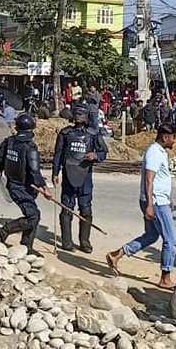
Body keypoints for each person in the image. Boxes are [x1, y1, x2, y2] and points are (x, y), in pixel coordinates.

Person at [107, 123, 176, 288]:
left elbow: (159, 179)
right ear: (166, 137)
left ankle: (117, 254)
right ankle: (165, 277)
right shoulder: (154, 152)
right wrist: (150, 205)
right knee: (170, 240)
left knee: (151, 236)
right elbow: (149, 179)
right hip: (155, 202)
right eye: (173, 137)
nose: (174, 141)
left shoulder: (159, 152)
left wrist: (168, 198)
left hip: (159, 200)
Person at [52, 102, 108, 253]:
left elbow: (104, 152)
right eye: (77, 114)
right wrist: (55, 173)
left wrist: (95, 155)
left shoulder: (92, 134)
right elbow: (58, 154)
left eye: (82, 115)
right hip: (68, 175)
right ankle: (66, 241)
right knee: (66, 208)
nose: (79, 117)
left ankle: (84, 242)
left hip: (85, 177)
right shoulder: (65, 133)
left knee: (86, 209)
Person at [0, 114, 51, 255]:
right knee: (33, 216)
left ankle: (26, 245)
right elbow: (34, 170)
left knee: (32, 214)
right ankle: (2, 231)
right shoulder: (30, 147)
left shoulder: (9, 142)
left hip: (12, 183)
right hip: (22, 187)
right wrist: (45, 188)